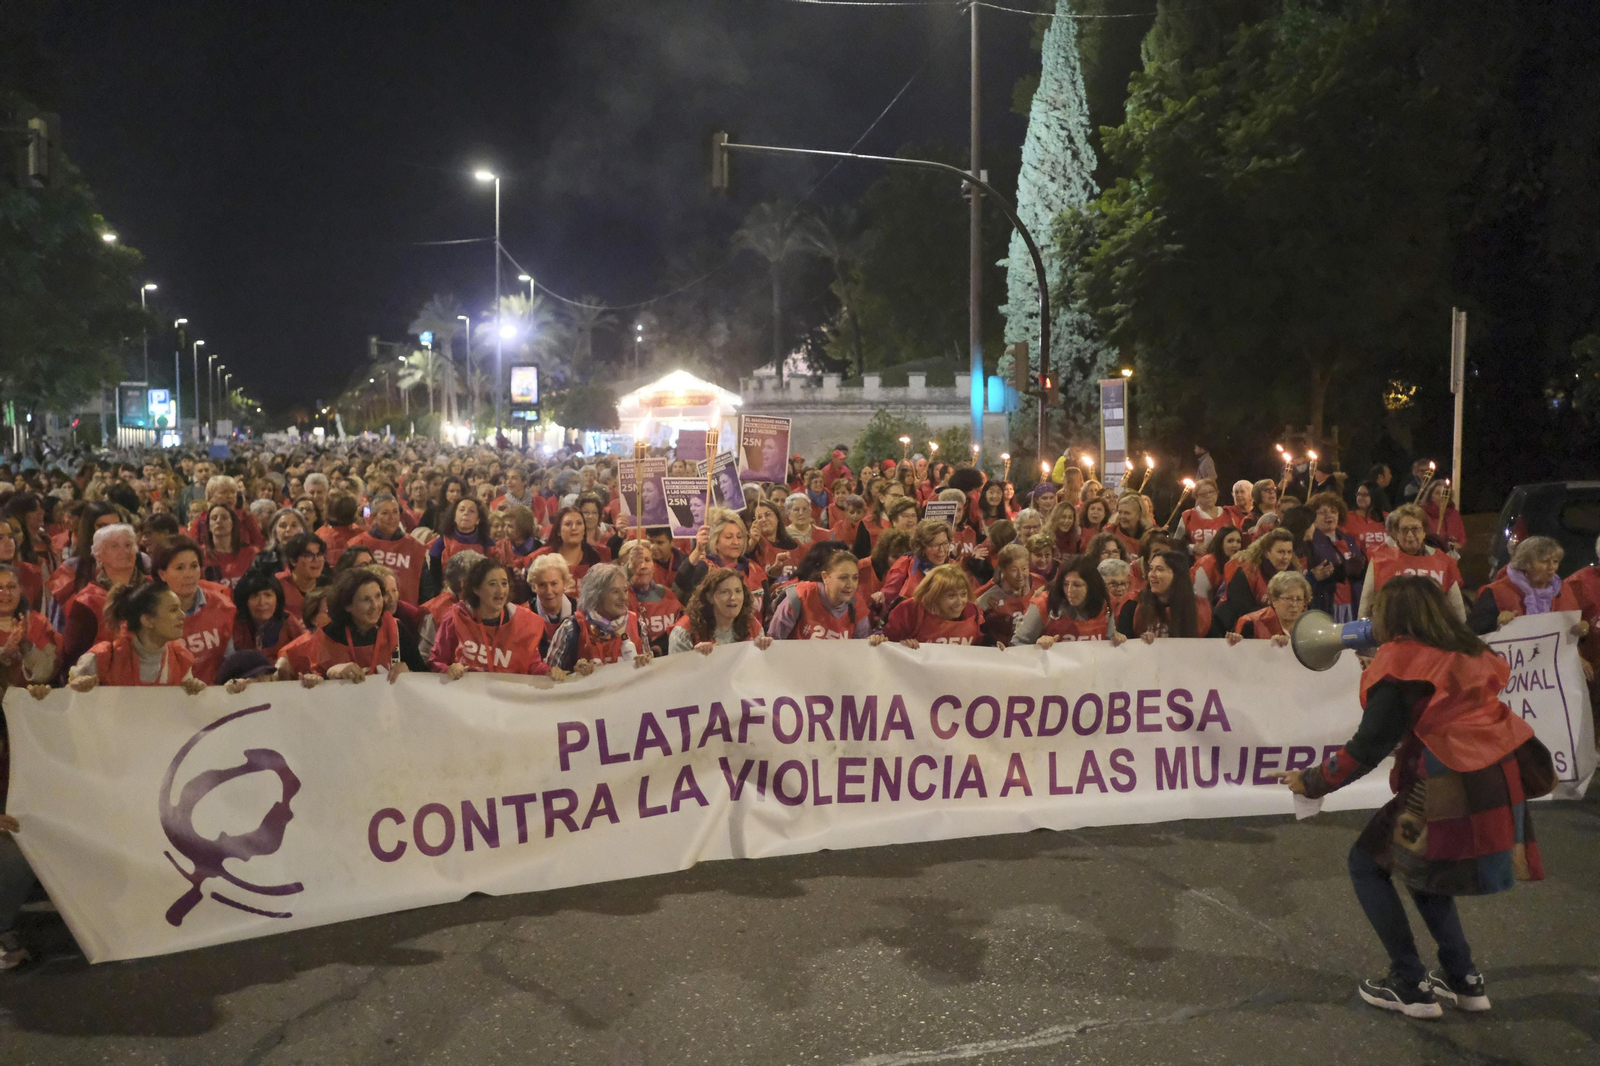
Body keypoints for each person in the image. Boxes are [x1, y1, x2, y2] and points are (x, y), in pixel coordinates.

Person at [1276, 576, 1550, 1019]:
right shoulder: (1467, 648)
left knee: (1367, 864)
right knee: (1422, 870)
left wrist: (1311, 782)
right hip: (1497, 775)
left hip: (1449, 778)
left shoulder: (1403, 662)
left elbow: (1367, 748)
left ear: (1392, 616)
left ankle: (1409, 983)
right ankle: (1464, 979)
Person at [66, 582, 206, 691]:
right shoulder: (102, 659)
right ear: (147, 620)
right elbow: (65, 702)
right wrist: (76, 689)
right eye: (173, 610)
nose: (182, 615)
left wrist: (195, 693)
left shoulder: (181, 660)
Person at [1467, 537, 1588, 658]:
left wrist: (1581, 631)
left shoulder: (1564, 590)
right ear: (1525, 563)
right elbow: (1471, 637)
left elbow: (1572, 636)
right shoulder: (1495, 592)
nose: (1552, 567)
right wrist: (1496, 623)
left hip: (1552, 669)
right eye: (1544, 561)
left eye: (1555, 561)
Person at [302, 567, 425, 684]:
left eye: (378, 596)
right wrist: (330, 673)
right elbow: (314, 685)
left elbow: (424, 678)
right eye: (366, 599)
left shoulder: (397, 630)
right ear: (347, 605)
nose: (375, 605)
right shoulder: (328, 635)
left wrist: (409, 672)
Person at [434, 556, 550, 678]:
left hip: (506, 695)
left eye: (504, 583)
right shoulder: (454, 619)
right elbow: (435, 662)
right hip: (465, 695)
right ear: (476, 589)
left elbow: (533, 665)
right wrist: (448, 670)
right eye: (492, 584)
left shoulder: (524, 623)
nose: (500, 590)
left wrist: (548, 672)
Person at [59, 523, 148, 675]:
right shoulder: (87, 600)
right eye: (115, 546)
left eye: (128, 545)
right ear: (99, 556)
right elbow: (72, 656)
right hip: (104, 688)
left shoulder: (154, 590)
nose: (124, 551)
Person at [1358, 504, 1465, 623]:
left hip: (1433, 634)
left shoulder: (1443, 562)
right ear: (1397, 533)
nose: (1409, 535)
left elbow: (1457, 607)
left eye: (1415, 529)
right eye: (1404, 530)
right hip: (1393, 632)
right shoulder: (1380, 561)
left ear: (1424, 532)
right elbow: (1366, 604)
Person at [545, 563, 650, 679]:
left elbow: (651, 676)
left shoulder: (637, 624)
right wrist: (573, 672)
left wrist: (646, 663)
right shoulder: (571, 628)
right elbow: (549, 678)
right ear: (596, 595)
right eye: (615, 591)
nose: (624, 597)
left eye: (625, 590)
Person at [1012, 556, 1121, 647]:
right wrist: (1037, 646)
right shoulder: (1044, 604)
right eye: (1065, 584)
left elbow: (1108, 643)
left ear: (1091, 586)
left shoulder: (1105, 604)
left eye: (1077, 585)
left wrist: (1116, 639)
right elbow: (1017, 644)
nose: (1069, 591)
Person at [767, 549, 872, 640]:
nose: (850, 585)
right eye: (843, 577)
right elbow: (774, 643)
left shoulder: (857, 606)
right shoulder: (799, 598)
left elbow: (862, 650)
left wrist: (875, 641)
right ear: (825, 577)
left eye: (855, 578)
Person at [670, 568, 775, 655]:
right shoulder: (685, 631)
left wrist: (763, 650)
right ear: (709, 597)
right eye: (724, 592)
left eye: (738, 591)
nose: (733, 597)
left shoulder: (751, 623)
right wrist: (697, 660)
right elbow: (677, 676)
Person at [348, 493, 427, 606]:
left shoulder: (415, 547)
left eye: (395, 512)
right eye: (385, 513)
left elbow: (426, 587)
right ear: (374, 517)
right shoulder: (357, 544)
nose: (392, 517)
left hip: (406, 614)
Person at [1117, 550, 1211, 640]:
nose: (1151, 574)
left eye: (1159, 569)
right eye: (1151, 569)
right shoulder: (1133, 603)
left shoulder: (1201, 608)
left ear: (1177, 575)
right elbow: (1124, 646)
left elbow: (1214, 646)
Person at [882, 563, 983, 646]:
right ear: (935, 596)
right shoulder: (911, 612)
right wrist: (902, 645)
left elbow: (984, 649)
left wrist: (997, 648)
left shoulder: (973, 613)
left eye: (963, 594)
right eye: (951, 596)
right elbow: (886, 644)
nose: (960, 601)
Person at [1217, 528, 1298, 633]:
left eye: (1289, 552)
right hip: (1237, 628)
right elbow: (1242, 610)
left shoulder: (1294, 575)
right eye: (1280, 552)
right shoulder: (1246, 572)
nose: (1286, 557)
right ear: (1267, 553)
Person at [1305, 491, 1367, 622]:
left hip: (1353, 602)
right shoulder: (1310, 543)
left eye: (1333, 511)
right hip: (1327, 604)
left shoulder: (1350, 539)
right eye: (1322, 512)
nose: (1329, 515)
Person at [617, 539, 683, 656]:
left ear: (654, 566)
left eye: (647, 560)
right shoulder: (619, 599)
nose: (642, 566)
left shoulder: (668, 594)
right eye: (635, 562)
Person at [0, 564, 59, 689]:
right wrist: (4, 653)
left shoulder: (37, 623)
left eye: (11, 587)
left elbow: (48, 672)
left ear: (21, 590)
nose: (5, 593)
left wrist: (26, 646)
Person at [231, 568, 305, 663]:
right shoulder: (234, 625)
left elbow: (302, 660)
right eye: (255, 596)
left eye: (268, 595)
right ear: (244, 600)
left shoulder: (289, 623)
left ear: (277, 598)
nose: (262, 602)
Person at [973, 544, 1039, 646]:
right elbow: (972, 624)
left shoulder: (1040, 584)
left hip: (1032, 649)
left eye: (1024, 568)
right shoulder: (986, 593)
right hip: (1001, 652)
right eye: (1014, 570)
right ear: (1002, 569)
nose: (1020, 575)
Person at [878, 518, 955, 606]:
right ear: (921, 546)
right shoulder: (905, 564)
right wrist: (880, 597)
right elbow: (887, 597)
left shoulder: (954, 567)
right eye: (934, 545)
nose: (941, 550)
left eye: (945, 543)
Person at [1225, 570, 1311, 645]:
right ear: (1274, 600)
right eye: (1288, 599)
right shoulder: (1252, 623)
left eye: (1299, 599)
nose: (1294, 604)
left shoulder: (1307, 628)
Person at [528, 506, 604, 583]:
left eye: (579, 523)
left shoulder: (594, 558)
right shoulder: (540, 557)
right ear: (558, 531)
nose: (574, 528)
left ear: (584, 530)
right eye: (568, 524)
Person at [526, 553, 576, 653]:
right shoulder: (525, 615)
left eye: (554, 584)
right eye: (542, 585)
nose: (549, 591)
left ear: (565, 583)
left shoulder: (579, 611)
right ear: (533, 587)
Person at [202, 502, 258, 588]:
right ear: (209, 526)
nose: (218, 521)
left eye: (224, 518)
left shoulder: (251, 553)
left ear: (233, 523)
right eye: (214, 518)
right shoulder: (200, 554)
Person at [276, 531, 329, 621]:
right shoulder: (277, 585)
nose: (316, 560)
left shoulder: (328, 586)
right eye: (309, 555)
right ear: (293, 560)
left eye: (319, 555)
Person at [1175, 478, 1230, 554]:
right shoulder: (1188, 516)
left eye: (1211, 492)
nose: (1208, 496)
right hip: (1196, 562)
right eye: (1203, 494)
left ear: (1217, 494)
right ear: (1196, 497)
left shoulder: (1228, 514)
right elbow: (1176, 543)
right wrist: (1192, 547)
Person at [1191, 525, 1242, 605]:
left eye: (1238, 541)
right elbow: (1200, 600)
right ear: (1220, 543)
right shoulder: (1207, 563)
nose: (1235, 545)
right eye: (1230, 541)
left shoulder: (1239, 563)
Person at [1342, 481, 1389, 556]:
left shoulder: (1387, 518)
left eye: (1365, 495)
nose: (1360, 497)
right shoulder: (1347, 518)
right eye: (1359, 494)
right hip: (1361, 563)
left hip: (1385, 562)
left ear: (1375, 496)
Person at [1420, 480, 1466, 555]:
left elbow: (1461, 538)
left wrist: (1455, 545)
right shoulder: (1422, 512)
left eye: (1445, 493)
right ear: (1431, 496)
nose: (1442, 496)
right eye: (1438, 493)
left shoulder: (1454, 514)